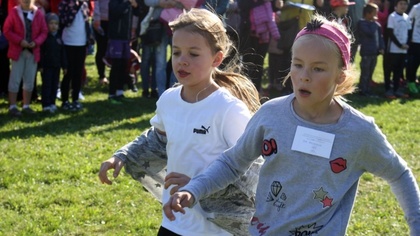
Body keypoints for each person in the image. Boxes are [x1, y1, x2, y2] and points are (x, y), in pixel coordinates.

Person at [163, 14, 420, 236]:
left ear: (339, 76)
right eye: (297, 65)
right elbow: (232, 162)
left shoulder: (359, 132)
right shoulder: (271, 114)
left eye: (318, 69)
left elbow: (399, 174)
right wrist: (194, 189)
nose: (304, 76)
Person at [99, 8, 263, 236]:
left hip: (215, 229)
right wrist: (122, 155)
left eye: (193, 54)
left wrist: (197, 187)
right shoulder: (168, 100)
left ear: (217, 58)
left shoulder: (229, 109)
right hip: (174, 222)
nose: (182, 61)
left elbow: (251, 172)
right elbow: (155, 140)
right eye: (176, 53)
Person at [3, 0, 48, 116]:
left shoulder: (38, 13)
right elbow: (7, 30)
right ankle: (12, 106)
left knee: (30, 79)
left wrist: (36, 42)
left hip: (33, 52)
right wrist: (19, 41)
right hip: (18, 51)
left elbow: (44, 31)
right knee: (15, 78)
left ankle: (26, 105)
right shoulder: (14, 12)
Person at [58, 0, 92, 111]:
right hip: (68, 42)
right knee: (68, 73)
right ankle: (65, 100)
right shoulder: (65, 3)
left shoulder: (84, 4)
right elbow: (64, 21)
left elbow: (87, 22)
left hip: (81, 43)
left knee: (78, 73)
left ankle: (75, 99)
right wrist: (75, 8)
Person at [106, 0, 138, 104]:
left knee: (124, 65)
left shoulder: (128, 2)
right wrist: (126, 3)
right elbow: (115, 12)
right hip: (116, 37)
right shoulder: (115, 2)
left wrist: (135, 5)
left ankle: (120, 92)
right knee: (116, 65)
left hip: (126, 37)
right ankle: (112, 94)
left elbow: (136, 13)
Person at [39, 12, 67, 113]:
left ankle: (52, 102)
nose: (54, 26)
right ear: (46, 24)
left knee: (55, 84)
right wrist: (40, 65)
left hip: (57, 66)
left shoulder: (59, 39)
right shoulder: (45, 38)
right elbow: (41, 53)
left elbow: (62, 53)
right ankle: (46, 104)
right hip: (46, 66)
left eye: (56, 23)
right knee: (47, 85)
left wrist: (64, 66)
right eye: (51, 23)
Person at [383, 0, 411, 98]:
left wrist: (406, 44)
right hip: (393, 50)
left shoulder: (407, 18)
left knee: (398, 71)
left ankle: (396, 89)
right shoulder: (392, 16)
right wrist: (399, 45)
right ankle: (387, 90)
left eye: (405, 4)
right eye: (401, 4)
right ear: (396, 5)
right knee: (389, 70)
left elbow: (409, 32)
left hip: (403, 50)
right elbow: (390, 33)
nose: (403, 6)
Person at [356, 2, 385, 96]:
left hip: (374, 52)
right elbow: (369, 32)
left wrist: (381, 47)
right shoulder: (362, 23)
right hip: (366, 53)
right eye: (375, 13)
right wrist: (375, 24)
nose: (376, 16)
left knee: (370, 72)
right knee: (365, 72)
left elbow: (380, 37)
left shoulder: (376, 25)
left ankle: (368, 89)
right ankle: (362, 90)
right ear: (368, 13)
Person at [92, 0, 110, 85]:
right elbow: (96, 3)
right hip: (101, 21)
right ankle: (102, 75)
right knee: (102, 49)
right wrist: (97, 18)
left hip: (116, 20)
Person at [406, 1, 420, 94]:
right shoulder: (416, 7)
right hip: (416, 40)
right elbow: (408, 20)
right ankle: (411, 83)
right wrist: (410, 36)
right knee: (414, 63)